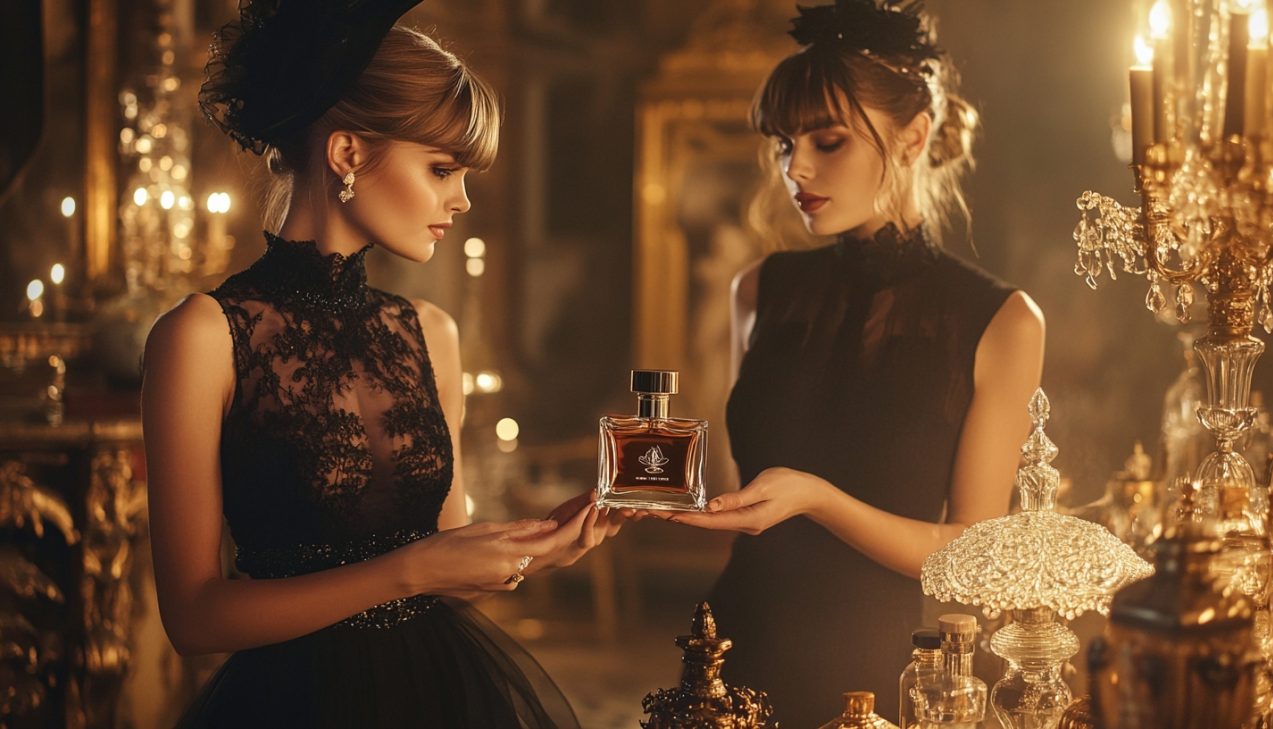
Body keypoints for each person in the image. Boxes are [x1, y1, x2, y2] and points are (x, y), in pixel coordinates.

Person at [140, 2, 620, 726]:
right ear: (347, 154)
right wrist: (407, 571)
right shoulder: (202, 336)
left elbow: (445, 566)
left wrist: (537, 548)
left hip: (440, 691)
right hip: (290, 704)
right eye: (441, 168)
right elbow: (195, 617)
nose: (460, 200)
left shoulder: (429, 331)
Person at [663, 1, 1046, 724]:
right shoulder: (760, 288)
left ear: (914, 137)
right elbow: (733, 488)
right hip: (728, 648)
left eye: (827, 140)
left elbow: (972, 551)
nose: (795, 167)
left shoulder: (1001, 319)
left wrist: (819, 498)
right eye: (783, 144)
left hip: (871, 672)